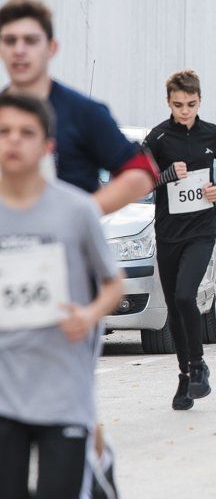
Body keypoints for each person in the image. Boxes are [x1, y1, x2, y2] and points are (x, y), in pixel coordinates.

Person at [0, 93, 123, 498]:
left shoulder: (76, 210)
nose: (13, 141)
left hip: (64, 392)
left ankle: (100, 477)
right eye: (3, 132)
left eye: (26, 133)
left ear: (48, 145)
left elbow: (113, 283)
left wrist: (89, 316)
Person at [0, 0, 156, 212]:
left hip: (66, 245)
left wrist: (83, 213)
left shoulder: (85, 113)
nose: (19, 50)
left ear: (51, 47)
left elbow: (142, 173)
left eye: (31, 40)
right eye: (10, 40)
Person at [142, 70, 216, 410]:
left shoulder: (213, 134)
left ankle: (198, 365)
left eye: (191, 104)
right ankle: (185, 376)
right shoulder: (157, 138)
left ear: (200, 101)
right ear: (168, 102)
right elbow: (141, 181)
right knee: (176, 308)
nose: (185, 110)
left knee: (186, 295)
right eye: (179, 104)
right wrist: (167, 175)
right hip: (168, 233)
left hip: (201, 231)